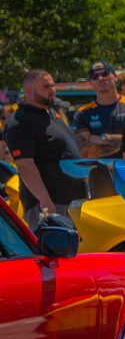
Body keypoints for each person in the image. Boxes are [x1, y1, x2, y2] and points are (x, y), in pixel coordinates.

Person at [6, 68, 85, 225]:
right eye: (46, 87)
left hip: (72, 201)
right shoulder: (21, 121)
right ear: (29, 90)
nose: (52, 90)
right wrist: (45, 202)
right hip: (49, 204)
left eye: (52, 86)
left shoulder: (51, 114)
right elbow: (25, 165)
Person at [72, 64, 125, 157]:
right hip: (97, 165)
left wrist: (100, 138)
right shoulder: (82, 112)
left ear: (116, 77)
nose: (100, 78)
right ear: (91, 83)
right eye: (95, 77)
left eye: (105, 74)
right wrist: (122, 140)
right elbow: (82, 150)